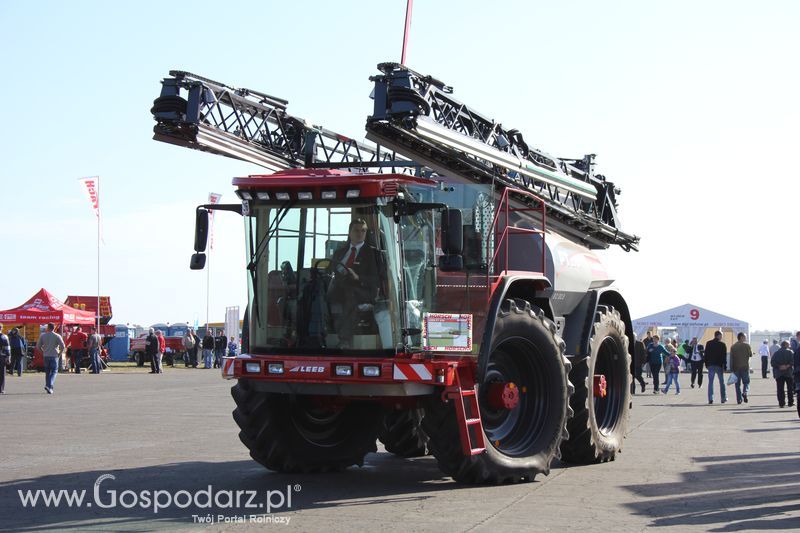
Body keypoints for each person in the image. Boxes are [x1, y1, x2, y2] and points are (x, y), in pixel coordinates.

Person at [327, 219, 380, 349]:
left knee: (349, 293)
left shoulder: (372, 253)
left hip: (363, 290)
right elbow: (329, 271)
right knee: (316, 292)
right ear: (349, 232)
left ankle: (344, 340)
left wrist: (358, 277)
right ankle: (317, 333)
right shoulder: (340, 252)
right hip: (338, 288)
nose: (360, 233)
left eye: (363, 231)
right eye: (356, 230)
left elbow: (377, 279)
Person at [36, 323, 65, 394]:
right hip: (54, 355)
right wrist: (59, 353)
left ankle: (48, 386)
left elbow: (38, 346)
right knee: (54, 371)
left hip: (46, 355)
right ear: (54, 328)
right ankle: (49, 385)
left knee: (48, 372)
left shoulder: (43, 336)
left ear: (48, 328)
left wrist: (43, 352)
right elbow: (63, 346)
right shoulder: (57, 336)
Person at [705, 330, 728, 404]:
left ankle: (710, 398)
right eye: (721, 335)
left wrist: (706, 364)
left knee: (710, 382)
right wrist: (725, 366)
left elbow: (706, 355)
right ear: (718, 335)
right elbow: (724, 357)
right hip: (719, 365)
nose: (722, 337)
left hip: (710, 365)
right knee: (721, 382)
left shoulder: (708, 343)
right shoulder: (722, 345)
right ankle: (723, 398)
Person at [730, 332, 752, 404]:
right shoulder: (747, 346)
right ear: (741, 337)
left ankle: (739, 399)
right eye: (745, 337)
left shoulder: (733, 346)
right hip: (745, 367)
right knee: (746, 382)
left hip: (736, 367)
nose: (745, 338)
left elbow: (731, 358)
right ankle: (745, 392)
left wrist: (731, 368)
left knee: (737, 384)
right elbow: (750, 355)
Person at [771, 341, 794, 408]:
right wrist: (787, 366)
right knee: (790, 388)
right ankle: (790, 402)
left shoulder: (776, 353)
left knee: (780, 389)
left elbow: (772, 363)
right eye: (788, 344)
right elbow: (793, 361)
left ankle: (781, 403)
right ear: (786, 345)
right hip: (789, 373)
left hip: (779, 373)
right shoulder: (790, 352)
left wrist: (779, 366)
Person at [0, 324, 9, 394]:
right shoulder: (4, 336)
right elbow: (7, 348)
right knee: (2, 373)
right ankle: (1, 389)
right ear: (2, 328)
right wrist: (8, 357)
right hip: (2, 356)